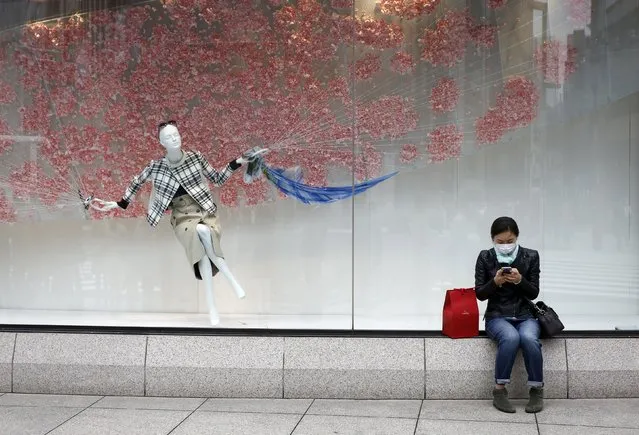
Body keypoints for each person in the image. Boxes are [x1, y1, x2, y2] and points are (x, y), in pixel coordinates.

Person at [475, 216, 543, 413]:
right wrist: (495, 282)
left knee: (529, 338)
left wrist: (520, 280)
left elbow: (534, 292)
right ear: (492, 239)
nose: (505, 245)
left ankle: (537, 390)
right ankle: (499, 390)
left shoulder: (531, 256)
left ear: (517, 237)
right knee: (511, 337)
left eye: (510, 241)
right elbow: (480, 294)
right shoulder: (485, 257)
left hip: (525, 314)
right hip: (497, 315)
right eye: (500, 242)